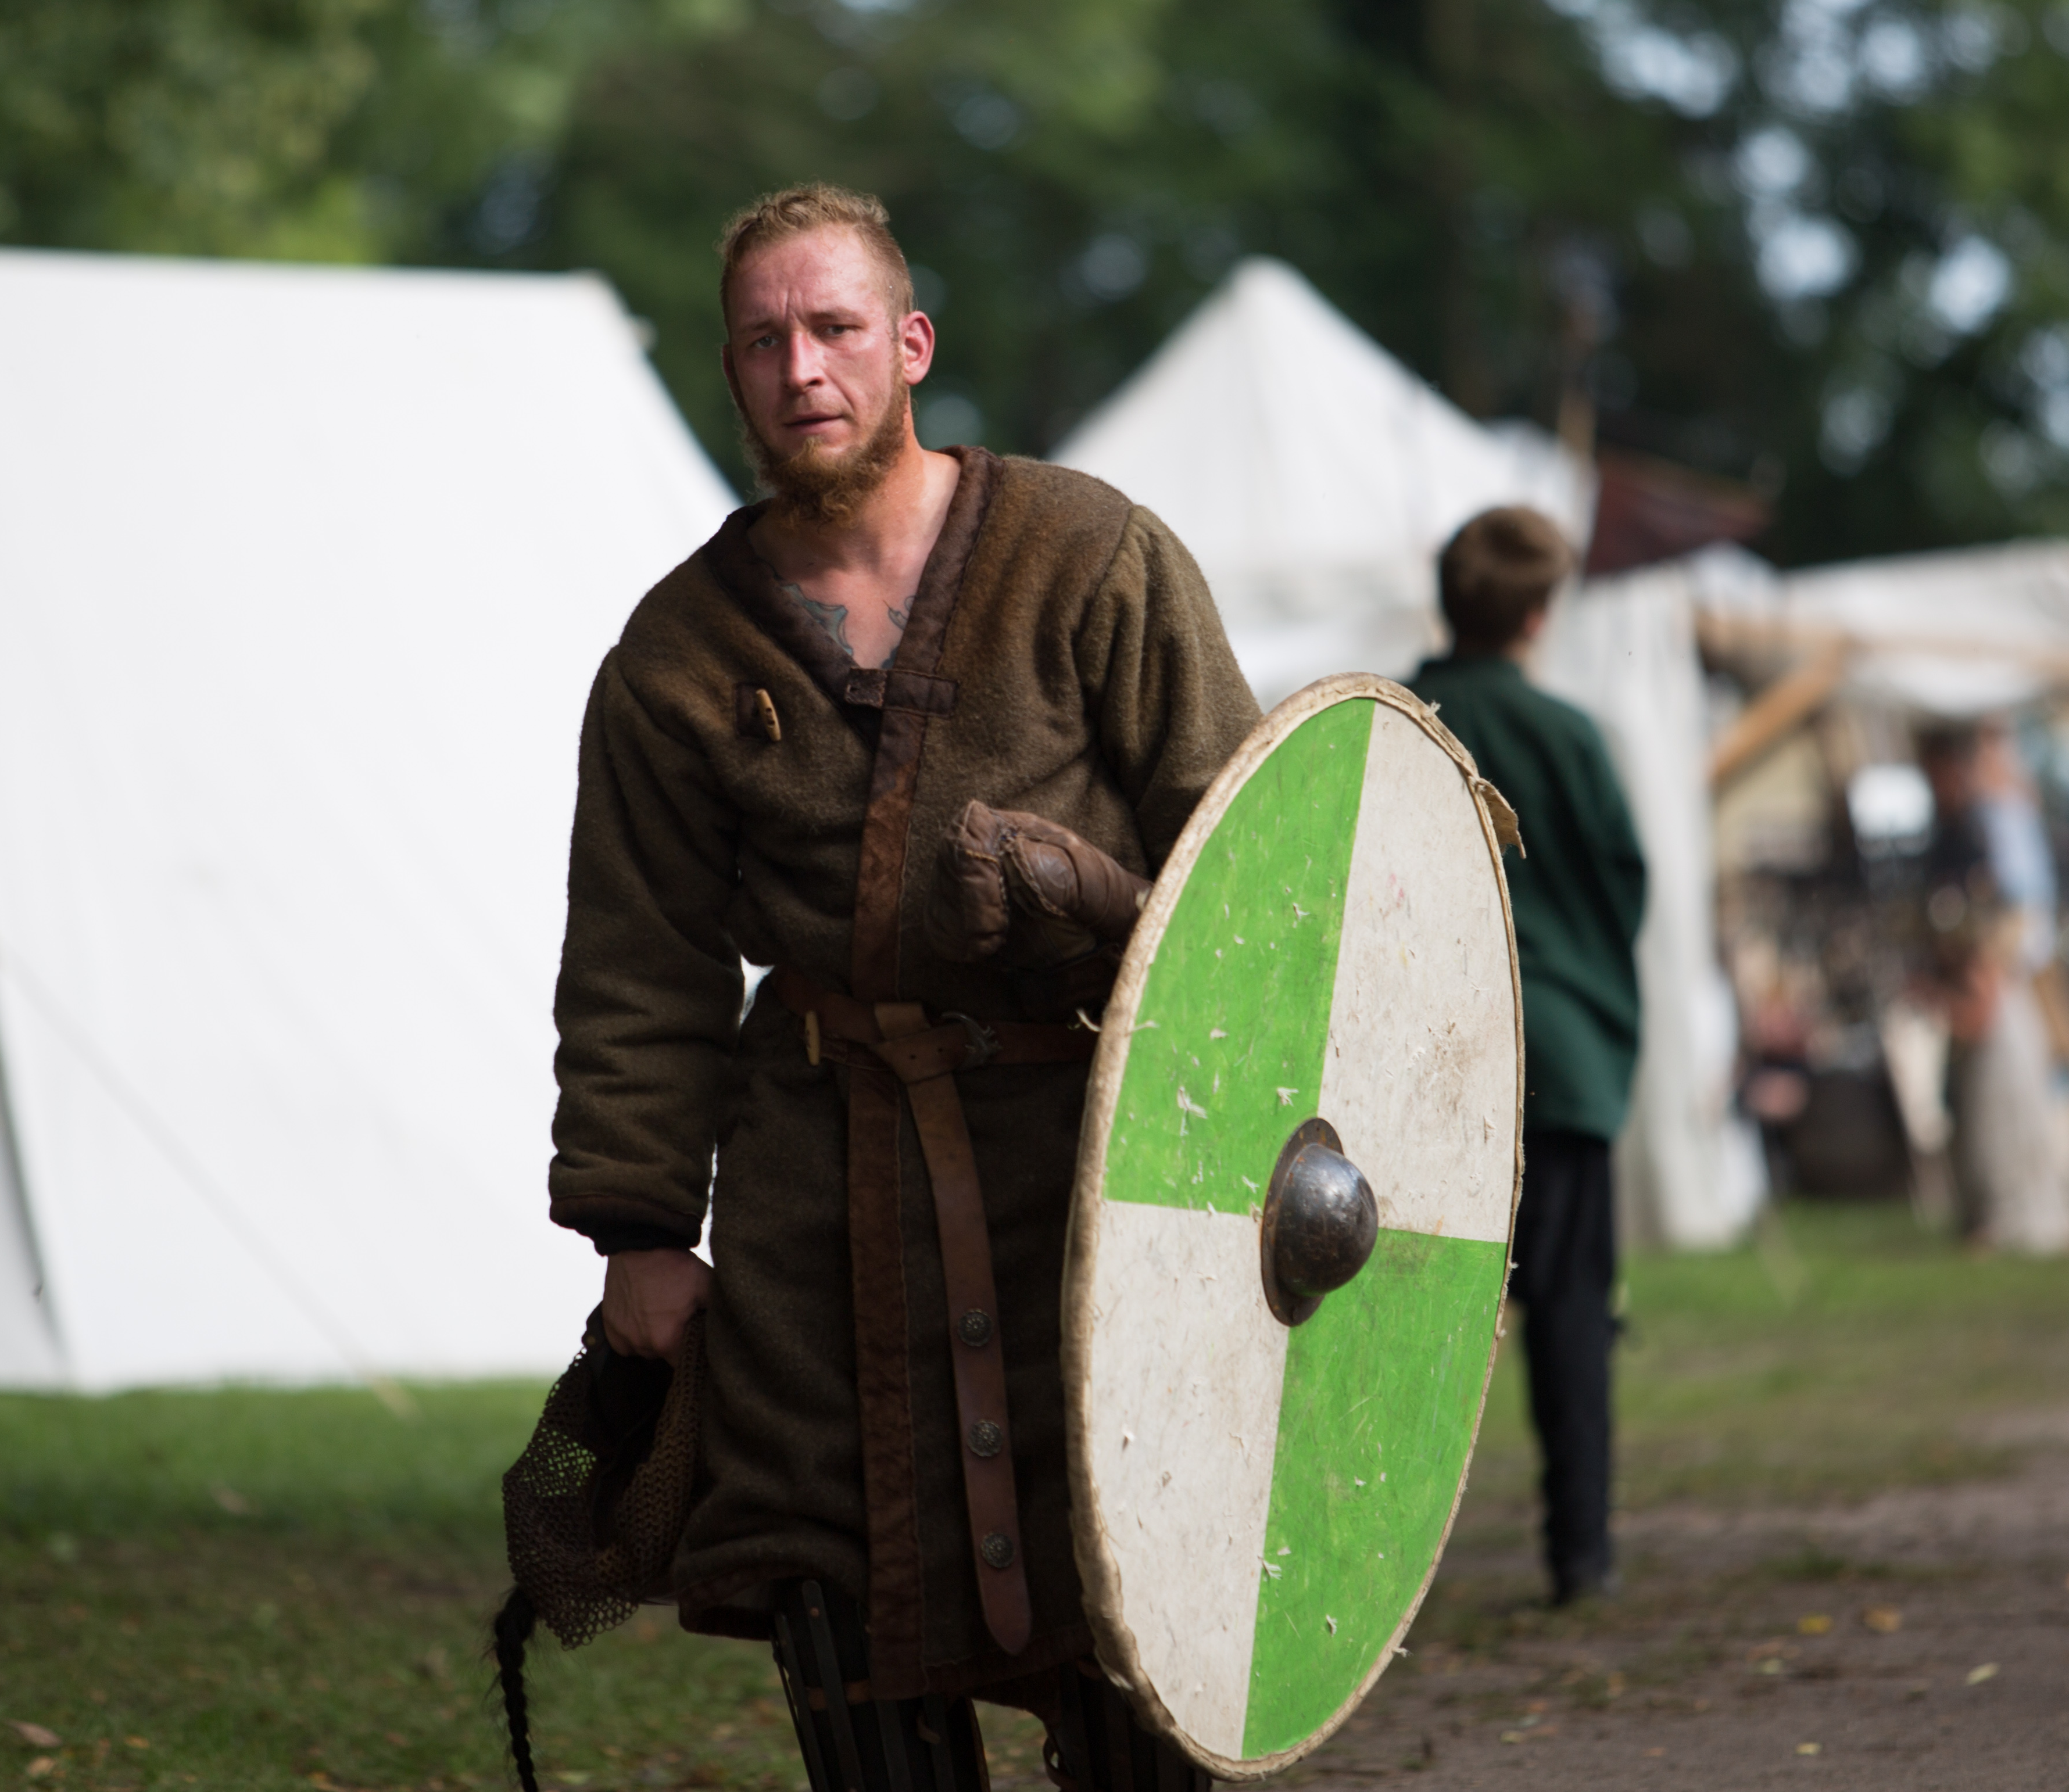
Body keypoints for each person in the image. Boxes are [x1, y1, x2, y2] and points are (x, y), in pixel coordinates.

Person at [545, 184, 1259, 1789]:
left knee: (1133, 1585)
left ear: (911, 344)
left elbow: (1242, 858)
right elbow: (637, 955)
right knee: (834, 1576)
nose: (802, 369)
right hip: (817, 1194)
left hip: (1087, 1171)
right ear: (729, 370)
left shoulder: (1087, 554)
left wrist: (1112, 921)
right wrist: (639, 1230)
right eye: (763, 340)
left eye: (835, 328)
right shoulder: (674, 653)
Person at [1406, 507, 1645, 1607]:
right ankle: (1579, 1553)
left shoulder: (1397, 719)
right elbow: (1620, 886)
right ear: (1539, 614)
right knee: (1569, 1314)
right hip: (1559, 1057)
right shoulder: (1568, 734)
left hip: (1424, 1061)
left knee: (1396, 1311)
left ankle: (1368, 1568)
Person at [1918, 719, 2069, 1255]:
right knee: (1983, 1110)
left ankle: (2013, 1211)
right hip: (1989, 982)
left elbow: (2016, 916)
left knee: (2004, 1108)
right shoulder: (1963, 828)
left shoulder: (1995, 824)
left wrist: (1986, 974)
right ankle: (1991, 1212)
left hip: (2001, 983)